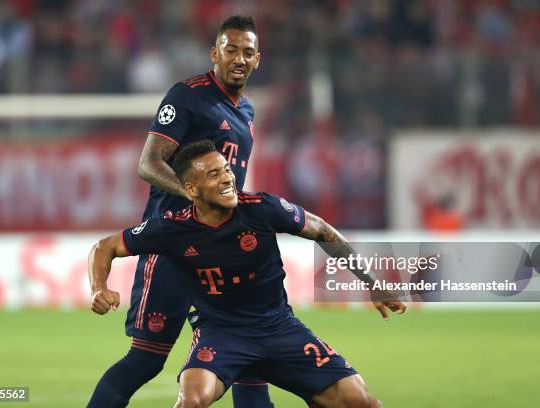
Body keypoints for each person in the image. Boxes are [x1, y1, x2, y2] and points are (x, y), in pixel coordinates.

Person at [89, 141, 407, 407]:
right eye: (214, 174)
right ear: (190, 189)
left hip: (279, 330)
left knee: (361, 402)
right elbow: (105, 247)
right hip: (220, 335)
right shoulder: (172, 228)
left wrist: (373, 282)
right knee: (192, 401)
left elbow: (323, 231)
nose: (227, 178)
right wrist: (99, 287)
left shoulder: (261, 209)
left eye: (226, 169)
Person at [87, 15, 273, 407]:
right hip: (176, 243)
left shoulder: (247, 113)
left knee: (252, 359)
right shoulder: (187, 96)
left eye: (248, 52)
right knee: (145, 360)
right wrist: (194, 197)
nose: (239, 58)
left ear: (258, 60)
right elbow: (149, 164)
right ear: (215, 54)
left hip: (225, 250)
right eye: (231, 49)